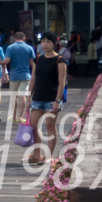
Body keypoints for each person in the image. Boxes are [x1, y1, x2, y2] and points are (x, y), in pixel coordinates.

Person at [27, 32, 67, 165]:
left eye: (48, 42)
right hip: (37, 96)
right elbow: (34, 78)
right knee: (34, 126)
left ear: (54, 44)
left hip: (52, 98)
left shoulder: (59, 60)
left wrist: (57, 100)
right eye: (43, 41)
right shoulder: (38, 59)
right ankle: (36, 154)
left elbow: (62, 82)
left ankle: (49, 155)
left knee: (50, 125)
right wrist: (29, 96)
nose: (45, 44)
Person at [0, 31, 36, 123]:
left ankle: (14, 116)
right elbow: (33, 63)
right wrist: (34, 75)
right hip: (26, 75)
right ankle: (21, 116)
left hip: (14, 75)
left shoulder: (10, 48)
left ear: (14, 38)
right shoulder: (29, 48)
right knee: (22, 95)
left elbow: (7, 61)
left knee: (13, 96)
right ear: (24, 38)